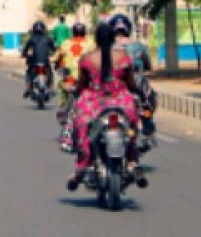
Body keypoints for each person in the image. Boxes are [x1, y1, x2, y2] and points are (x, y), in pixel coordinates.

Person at [66, 22, 145, 191]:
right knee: (132, 129)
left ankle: (81, 168)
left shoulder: (87, 59)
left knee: (83, 130)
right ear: (113, 38)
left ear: (95, 39)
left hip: (93, 103)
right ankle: (132, 161)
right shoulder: (124, 57)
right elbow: (131, 83)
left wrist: (74, 91)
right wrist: (137, 92)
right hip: (122, 102)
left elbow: (81, 85)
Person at [53, 23, 92, 113]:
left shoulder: (65, 43)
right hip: (86, 77)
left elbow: (56, 58)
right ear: (84, 32)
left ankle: (63, 105)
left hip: (70, 78)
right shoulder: (91, 43)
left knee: (61, 84)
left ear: (72, 32)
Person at [21, 21, 57, 98]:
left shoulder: (31, 39)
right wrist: (51, 53)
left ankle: (28, 88)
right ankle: (51, 87)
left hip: (34, 61)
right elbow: (54, 49)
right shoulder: (48, 38)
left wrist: (24, 54)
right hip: (45, 61)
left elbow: (25, 50)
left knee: (29, 73)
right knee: (49, 73)